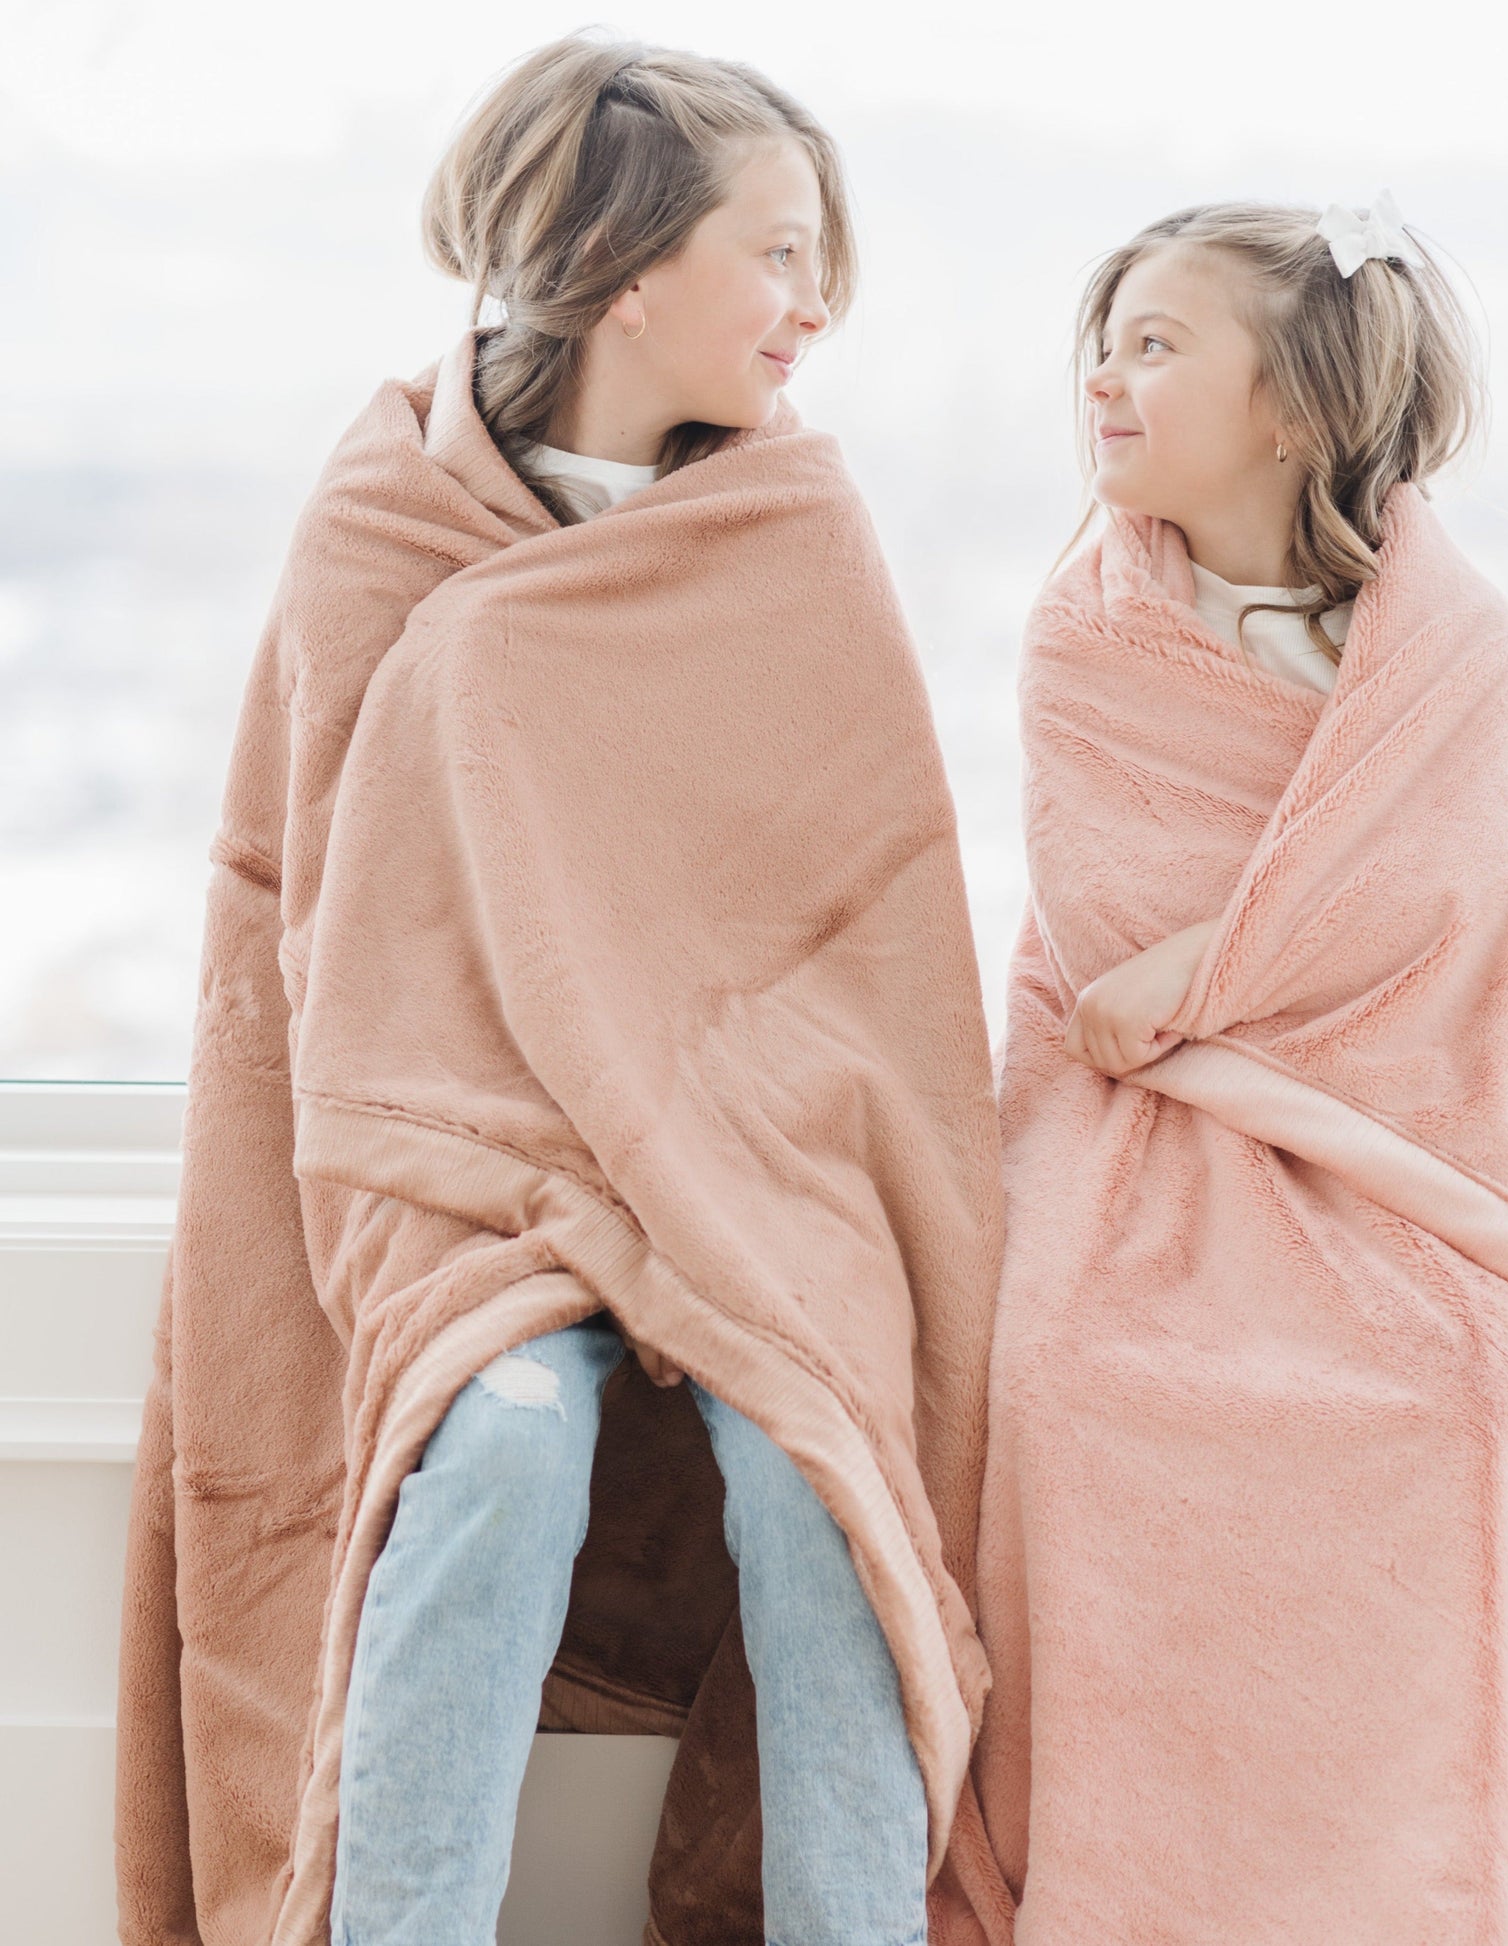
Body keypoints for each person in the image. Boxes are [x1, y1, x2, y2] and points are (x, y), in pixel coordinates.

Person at [115, 36, 1001, 1946]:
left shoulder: (792, 533)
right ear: (622, 268)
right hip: (454, 1150)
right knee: (502, 1424)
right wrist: (539, 1160)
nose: (810, 306)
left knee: (814, 1468)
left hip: (756, 1157)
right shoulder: (383, 522)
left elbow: (854, 928)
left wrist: (702, 1154)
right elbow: (322, 925)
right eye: (773, 255)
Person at [932, 197, 1508, 1945]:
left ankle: (1388, 1888)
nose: (1104, 377)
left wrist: (1226, 968)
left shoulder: (1448, 641)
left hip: (1408, 1122)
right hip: (1156, 1135)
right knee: (1071, 1376)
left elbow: (1464, 916)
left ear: (1289, 404)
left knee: (1464, 1387)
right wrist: (1245, 960)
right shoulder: (1092, 636)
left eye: (1154, 345)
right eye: (1100, 340)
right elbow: (1109, 925)